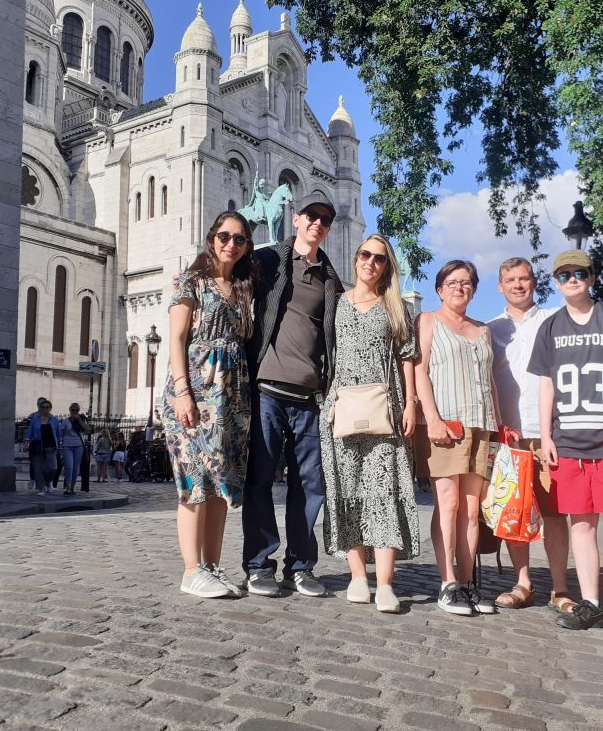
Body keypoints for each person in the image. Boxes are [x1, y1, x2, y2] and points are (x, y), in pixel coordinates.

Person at [527, 249, 603, 644]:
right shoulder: (550, 327)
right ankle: (592, 603)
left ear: (591, 276)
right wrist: (546, 435)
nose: (571, 279)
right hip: (568, 443)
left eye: (578, 273)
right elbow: (545, 383)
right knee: (581, 524)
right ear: (556, 282)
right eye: (563, 275)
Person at [241, 193, 344, 598]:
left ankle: (300, 566)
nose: (318, 223)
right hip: (267, 389)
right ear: (296, 219)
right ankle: (258, 565)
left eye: (326, 219)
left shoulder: (331, 279)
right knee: (260, 481)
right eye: (312, 216)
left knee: (310, 485)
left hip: (310, 397)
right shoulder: (268, 261)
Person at [321, 234, 420, 614]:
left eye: (379, 258)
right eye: (365, 254)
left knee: (384, 492)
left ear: (387, 266)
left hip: (386, 410)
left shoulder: (393, 306)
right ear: (355, 258)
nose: (371, 262)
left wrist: (410, 403)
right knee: (347, 490)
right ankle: (357, 577)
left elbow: (407, 357)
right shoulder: (336, 303)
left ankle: (385, 584)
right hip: (342, 407)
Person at [163, 210, 257, 599]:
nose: (230, 243)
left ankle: (213, 567)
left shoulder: (243, 288)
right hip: (196, 394)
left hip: (232, 398)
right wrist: (183, 393)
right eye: (223, 236)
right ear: (211, 238)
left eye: (238, 238)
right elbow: (175, 339)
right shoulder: (191, 281)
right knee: (195, 481)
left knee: (222, 485)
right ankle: (191, 570)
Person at [487, 257, 574, 614]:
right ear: (500, 286)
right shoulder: (491, 329)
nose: (518, 285)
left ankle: (560, 588)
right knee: (514, 511)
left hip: (549, 434)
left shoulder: (554, 321)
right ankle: (523, 583)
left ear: (534, 282)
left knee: (555, 513)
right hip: (510, 435)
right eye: (510, 280)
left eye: (524, 279)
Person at [414, 260, 499, 616]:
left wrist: (501, 424)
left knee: (470, 509)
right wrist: (431, 418)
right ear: (439, 288)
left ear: (474, 289)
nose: (459, 287)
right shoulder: (429, 321)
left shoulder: (483, 330)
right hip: (446, 425)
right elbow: (420, 371)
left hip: (482, 424)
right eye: (452, 282)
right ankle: (447, 582)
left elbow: (490, 379)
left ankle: (467, 583)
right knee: (447, 504)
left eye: (466, 283)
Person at [24, 398, 60, 496]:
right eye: (43, 407)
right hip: (37, 444)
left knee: (52, 467)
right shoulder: (35, 419)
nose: (45, 409)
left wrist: (60, 445)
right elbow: (29, 432)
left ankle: (48, 482)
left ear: (50, 408)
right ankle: (42, 488)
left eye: (47, 407)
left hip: (51, 445)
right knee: (38, 468)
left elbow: (58, 434)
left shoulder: (54, 419)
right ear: (40, 408)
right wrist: (26, 443)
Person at [60, 403, 89, 495]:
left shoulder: (81, 420)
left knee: (76, 468)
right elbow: (62, 434)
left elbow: (87, 429)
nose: (74, 412)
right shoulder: (66, 421)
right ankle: (67, 486)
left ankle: (72, 487)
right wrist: (61, 444)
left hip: (78, 446)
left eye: (76, 410)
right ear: (70, 410)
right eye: (73, 410)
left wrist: (79, 420)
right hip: (67, 446)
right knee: (69, 466)